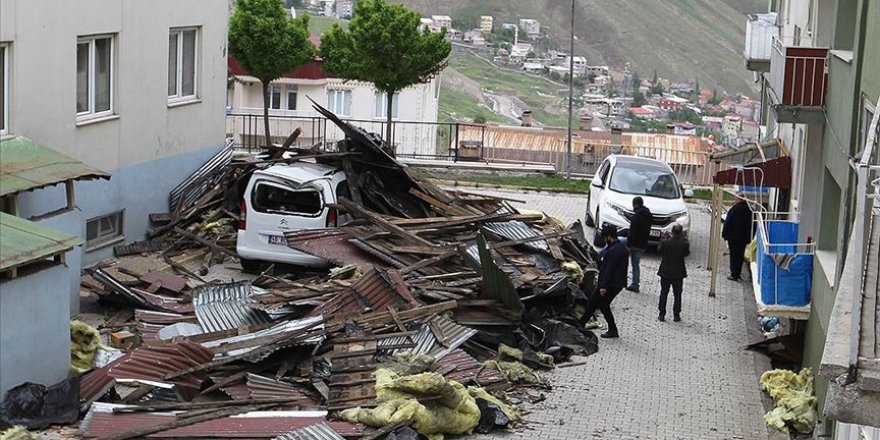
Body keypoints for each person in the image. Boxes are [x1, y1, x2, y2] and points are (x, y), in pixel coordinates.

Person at [580, 224, 629, 338]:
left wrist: (603, 286)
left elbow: (609, 270)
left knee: (599, 304)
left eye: (605, 237)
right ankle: (582, 324)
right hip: (615, 283)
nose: (604, 240)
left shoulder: (614, 251)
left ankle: (612, 329)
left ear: (609, 237)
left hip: (610, 284)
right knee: (596, 303)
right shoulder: (620, 248)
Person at [657, 223, 689, 322]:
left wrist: (662, 240)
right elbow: (686, 253)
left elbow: (659, 251)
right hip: (678, 273)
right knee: (677, 294)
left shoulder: (665, 242)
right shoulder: (684, 243)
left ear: (672, 232)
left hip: (666, 271)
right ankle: (676, 315)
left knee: (664, 293)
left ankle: (662, 314)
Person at [722, 196, 753, 281]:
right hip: (743, 238)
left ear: (739, 199)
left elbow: (728, 222)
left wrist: (724, 234)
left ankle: (734, 274)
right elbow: (752, 225)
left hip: (733, 237)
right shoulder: (749, 210)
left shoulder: (734, 209)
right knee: (740, 255)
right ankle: (737, 273)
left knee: (734, 256)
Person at [626, 196, 652, 293]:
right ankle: (635, 284)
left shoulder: (637, 216)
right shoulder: (648, 215)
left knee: (630, 263)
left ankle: (633, 285)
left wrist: (628, 245)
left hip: (634, 245)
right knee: (636, 265)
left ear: (635, 204)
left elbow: (633, 232)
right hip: (643, 245)